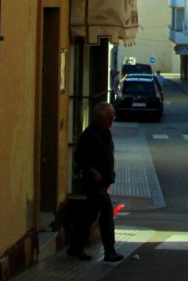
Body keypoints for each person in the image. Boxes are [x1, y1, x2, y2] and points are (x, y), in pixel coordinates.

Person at [68, 102, 124, 263]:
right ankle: (110, 251)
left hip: (102, 182)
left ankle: (75, 247)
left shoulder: (104, 133)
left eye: (113, 117)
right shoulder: (90, 135)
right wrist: (93, 171)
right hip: (94, 183)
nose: (113, 120)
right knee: (106, 213)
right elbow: (79, 157)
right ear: (100, 119)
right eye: (110, 117)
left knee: (89, 215)